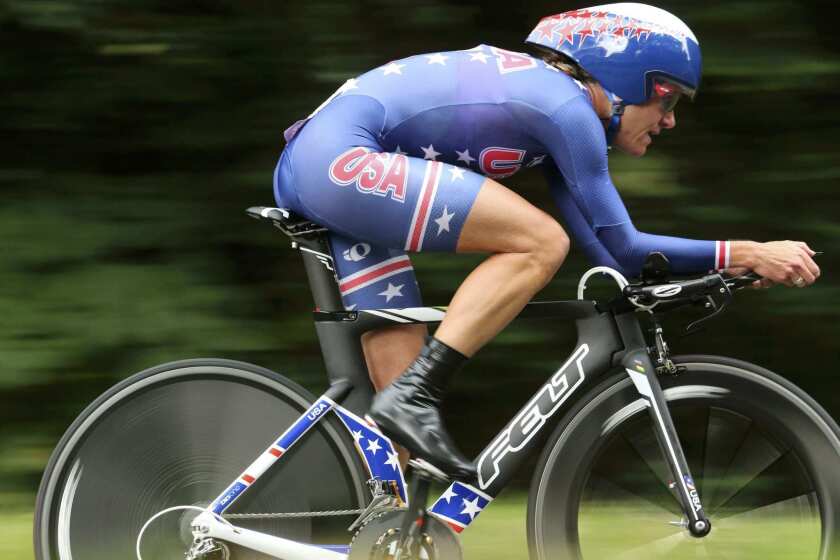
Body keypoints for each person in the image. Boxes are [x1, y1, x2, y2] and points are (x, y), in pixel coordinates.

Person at [273, 3, 820, 480]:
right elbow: (626, 245)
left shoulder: (559, 119)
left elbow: (616, 259)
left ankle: (386, 530)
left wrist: (717, 275)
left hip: (327, 167)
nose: (670, 121)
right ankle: (417, 394)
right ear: (627, 77)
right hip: (340, 163)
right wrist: (748, 252)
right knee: (538, 243)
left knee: (403, 443)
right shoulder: (566, 108)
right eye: (669, 99)